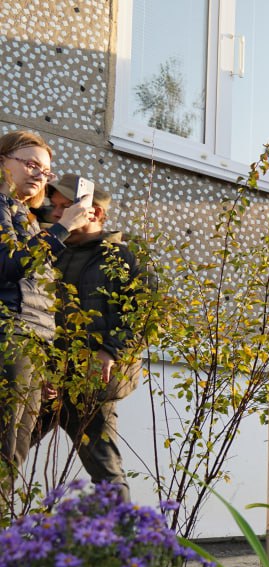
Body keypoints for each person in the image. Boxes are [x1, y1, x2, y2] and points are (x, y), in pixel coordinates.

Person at [30, 175, 144, 500]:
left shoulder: (123, 259)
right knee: (6, 453)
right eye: (55, 207)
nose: (57, 214)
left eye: (66, 208)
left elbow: (142, 315)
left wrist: (110, 351)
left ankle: (119, 544)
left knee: (106, 471)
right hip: (46, 380)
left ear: (94, 213)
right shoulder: (51, 251)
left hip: (90, 382)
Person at [0, 131, 92, 503]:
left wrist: (47, 361)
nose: (40, 174)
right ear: (3, 161)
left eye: (46, 170)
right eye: (31, 163)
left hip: (30, 343)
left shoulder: (25, 217)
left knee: (14, 453)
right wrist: (63, 227)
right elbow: (8, 265)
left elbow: (41, 293)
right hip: (10, 335)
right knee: (5, 449)